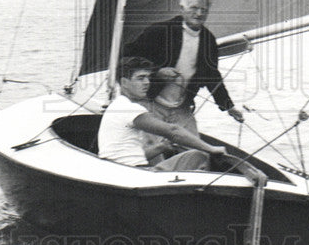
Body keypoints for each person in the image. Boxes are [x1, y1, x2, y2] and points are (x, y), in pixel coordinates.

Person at [123, 0, 245, 126]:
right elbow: (127, 58)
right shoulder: (159, 31)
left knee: (195, 147)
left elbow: (212, 77)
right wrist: (157, 72)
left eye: (204, 10)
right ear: (182, 8)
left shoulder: (208, 40)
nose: (199, 13)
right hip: (149, 103)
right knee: (154, 147)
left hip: (181, 107)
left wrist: (228, 106)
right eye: (194, 8)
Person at [97, 57, 226, 172]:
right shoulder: (129, 109)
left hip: (120, 170)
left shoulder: (117, 106)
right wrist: (211, 149)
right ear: (124, 83)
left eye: (148, 77)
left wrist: (161, 147)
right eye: (140, 78)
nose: (147, 82)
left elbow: (131, 155)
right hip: (134, 172)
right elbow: (173, 131)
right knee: (199, 156)